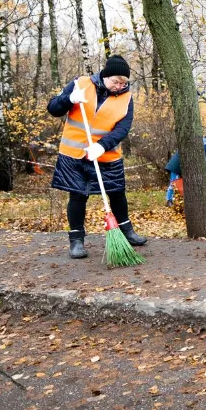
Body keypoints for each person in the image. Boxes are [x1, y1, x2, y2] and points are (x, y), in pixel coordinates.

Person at [47, 55, 147, 259]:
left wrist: (102, 146)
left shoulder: (126, 98)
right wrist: (69, 99)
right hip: (74, 154)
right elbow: (53, 108)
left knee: (117, 193)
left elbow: (123, 128)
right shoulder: (80, 84)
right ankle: (76, 241)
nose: (120, 86)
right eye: (116, 82)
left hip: (106, 155)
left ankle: (127, 232)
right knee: (77, 195)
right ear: (105, 76)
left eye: (124, 83)